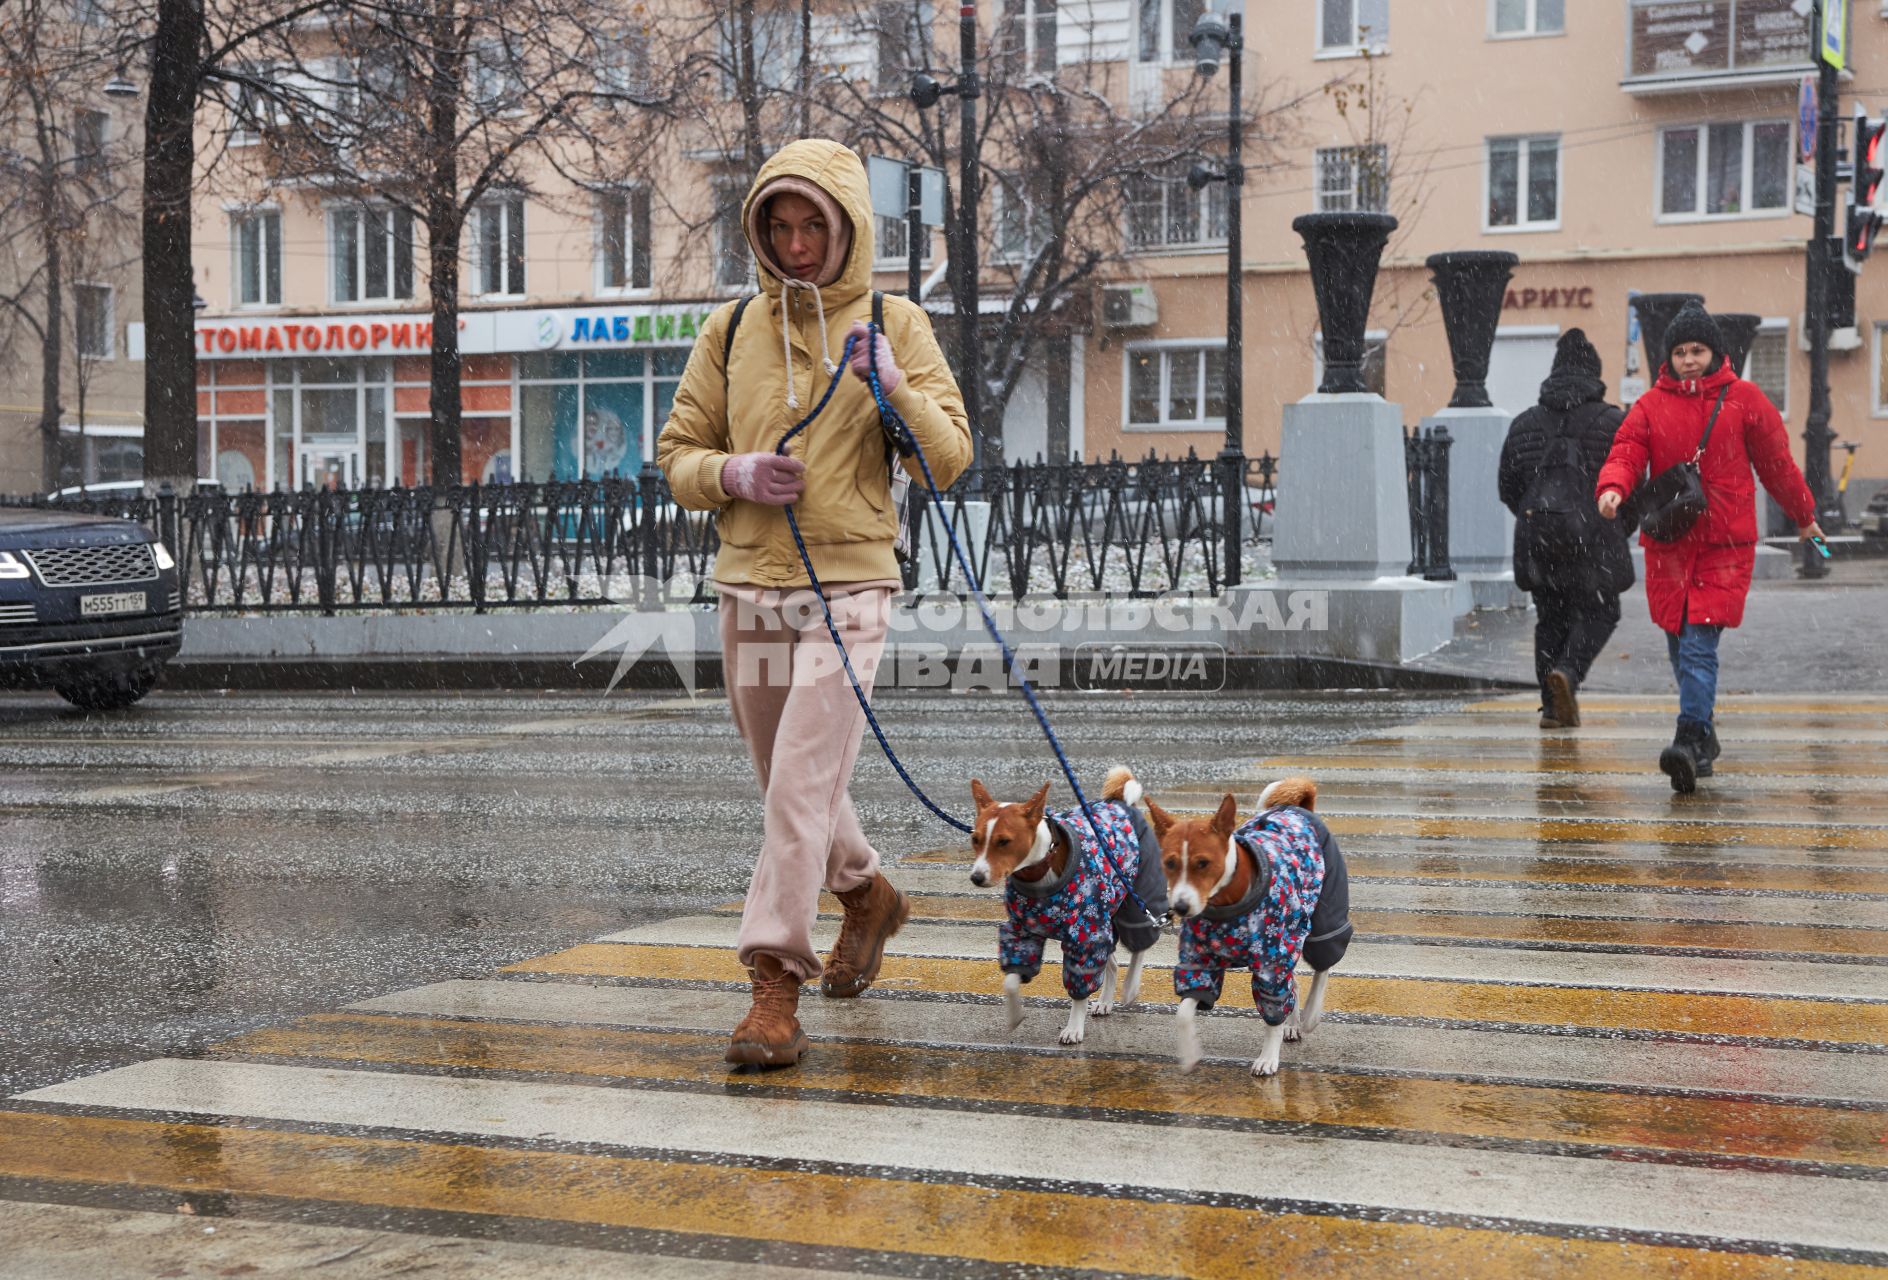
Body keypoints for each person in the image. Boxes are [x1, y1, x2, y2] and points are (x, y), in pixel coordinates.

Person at [656, 140, 972, 1064]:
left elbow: (947, 459)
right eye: (779, 226)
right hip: (751, 580)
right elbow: (678, 456)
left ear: (847, 230)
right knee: (790, 788)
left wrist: (896, 389)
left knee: (800, 781)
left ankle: (771, 987)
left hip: (852, 583)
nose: (796, 245)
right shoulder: (728, 331)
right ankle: (867, 894)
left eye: (813, 227)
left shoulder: (894, 321)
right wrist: (733, 471)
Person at [1594, 302, 1822, 793]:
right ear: (1668, 356)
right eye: (1680, 352)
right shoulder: (1650, 405)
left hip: (1724, 543)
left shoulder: (1744, 399)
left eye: (1697, 350)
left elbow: (1777, 465)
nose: (1689, 360)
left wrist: (1805, 516)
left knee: (1698, 646)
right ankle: (1705, 740)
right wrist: (1612, 486)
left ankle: (1689, 737)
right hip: (1670, 542)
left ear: (1715, 352)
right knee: (1679, 646)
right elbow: (1627, 450)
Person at [1498, 329, 1635, 730]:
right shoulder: (1614, 422)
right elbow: (1635, 484)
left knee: (1550, 618)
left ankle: (1552, 706)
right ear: (1595, 374)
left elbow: (1508, 488)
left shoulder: (1524, 424)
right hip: (1595, 540)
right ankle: (1569, 673)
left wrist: (1543, 519)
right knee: (1602, 611)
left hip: (1538, 542)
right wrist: (1613, 525)